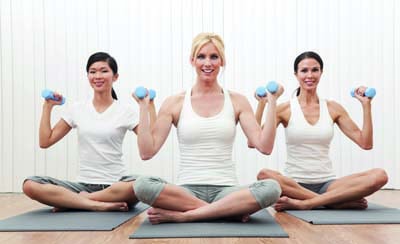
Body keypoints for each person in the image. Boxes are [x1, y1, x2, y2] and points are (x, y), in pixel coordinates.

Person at [133, 33, 282, 224]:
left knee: (272, 188)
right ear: (192, 60)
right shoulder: (174, 103)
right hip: (186, 191)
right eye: (201, 56)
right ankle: (226, 212)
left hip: (227, 190)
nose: (208, 63)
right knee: (142, 185)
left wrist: (272, 102)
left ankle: (185, 216)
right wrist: (143, 107)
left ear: (222, 61)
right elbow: (147, 152)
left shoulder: (237, 101)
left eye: (214, 57)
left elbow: (265, 146)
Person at [23, 52, 156, 212]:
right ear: (88, 76)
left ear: (115, 77)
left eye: (104, 71)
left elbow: (151, 140)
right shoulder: (77, 109)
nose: (98, 76)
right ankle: (95, 204)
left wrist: (149, 107)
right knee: (30, 185)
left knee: (141, 184)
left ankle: (74, 202)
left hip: (116, 187)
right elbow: (45, 141)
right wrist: (48, 106)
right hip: (82, 186)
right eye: (93, 72)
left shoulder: (124, 111)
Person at [255, 51, 388, 211]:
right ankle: (332, 202)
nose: (309, 75)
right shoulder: (284, 109)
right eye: (304, 71)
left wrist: (366, 105)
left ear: (321, 73)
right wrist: (263, 104)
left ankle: (307, 203)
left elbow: (365, 143)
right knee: (264, 175)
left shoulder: (333, 108)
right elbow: (256, 141)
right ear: (296, 74)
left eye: (315, 70)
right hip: (294, 184)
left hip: (328, 184)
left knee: (380, 175)